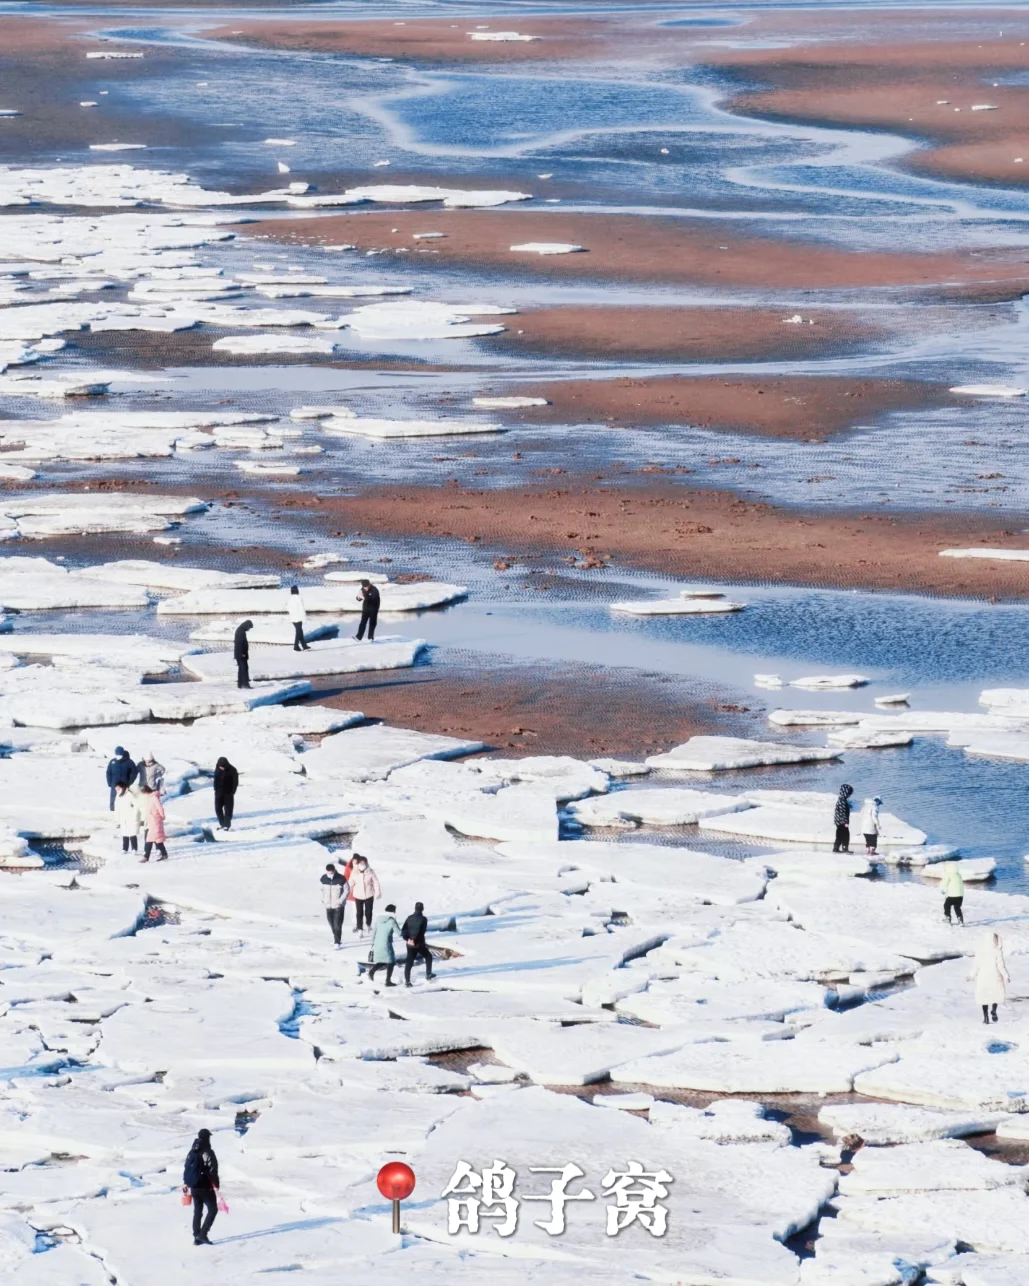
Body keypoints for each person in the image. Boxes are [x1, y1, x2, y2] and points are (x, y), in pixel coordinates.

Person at [182, 1128, 220, 1246]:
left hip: (194, 1186)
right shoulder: (207, 1151)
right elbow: (213, 1169)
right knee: (213, 1209)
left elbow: (187, 1167)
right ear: (207, 1138)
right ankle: (203, 1234)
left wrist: (186, 1183)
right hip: (205, 1186)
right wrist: (216, 1184)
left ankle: (197, 1236)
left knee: (198, 1210)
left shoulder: (192, 1151)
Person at [971, 931, 1009, 1024]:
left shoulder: (980, 952)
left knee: (984, 997)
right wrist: (1005, 975)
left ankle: (986, 1018)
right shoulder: (997, 952)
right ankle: (994, 1011)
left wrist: (972, 975)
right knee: (996, 995)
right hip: (995, 977)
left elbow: (976, 965)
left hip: (983, 977)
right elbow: (1001, 966)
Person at [402, 901, 435, 986]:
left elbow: (403, 930)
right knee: (428, 956)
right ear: (422, 909)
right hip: (419, 944)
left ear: (415, 908)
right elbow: (422, 932)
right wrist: (416, 940)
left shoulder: (409, 918)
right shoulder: (424, 919)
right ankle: (428, 974)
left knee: (409, 961)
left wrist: (408, 939)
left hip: (410, 943)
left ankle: (407, 981)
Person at [368, 904, 401, 986]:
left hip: (377, 943)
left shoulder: (378, 919)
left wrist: (372, 944)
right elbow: (399, 933)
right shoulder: (392, 920)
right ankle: (387, 981)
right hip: (386, 944)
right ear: (393, 911)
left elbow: (374, 932)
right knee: (391, 962)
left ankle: (371, 972)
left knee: (383, 960)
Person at [348, 853, 381, 936]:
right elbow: (351, 882)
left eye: (364, 863)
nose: (362, 865)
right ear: (358, 864)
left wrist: (378, 892)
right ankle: (360, 929)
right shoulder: (354, 871)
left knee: (368, 912)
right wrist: (348, 892)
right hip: (358, 895)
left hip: (369, 894)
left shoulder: (370, 871)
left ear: (366, 863)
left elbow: (376, 882)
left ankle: (369, 925)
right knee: (359, 912)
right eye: (361, 863)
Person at [321, 862, 349, 947]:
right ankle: (335, 938)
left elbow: (347, 890)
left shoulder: (341, 879)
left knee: (337, 923)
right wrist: (322, 899)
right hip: (328, 905)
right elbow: (321, 890)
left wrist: (341, 900)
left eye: (331, 872)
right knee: (331, 923)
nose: (330, 874)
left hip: (338, 905)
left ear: (334, 871)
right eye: (328, 872)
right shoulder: (323, 878)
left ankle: (337, 942)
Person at [139, 784, 168, 862]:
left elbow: (160, 808)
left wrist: (162, 816)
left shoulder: (154, 798)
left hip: (156, 820)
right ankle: (164, 854)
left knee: (153, 838)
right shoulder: (148, 799)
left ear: (146, 791)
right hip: (151, 821)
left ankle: (146, 856)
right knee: (156, 839)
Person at [106, 745, 137, 811]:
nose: (118, 756)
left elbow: (134, 772)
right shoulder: (112, 762)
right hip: (114, 784)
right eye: (117, 754)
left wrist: (130, 781)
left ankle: (124, 812)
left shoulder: (129, 762)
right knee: (113, 799)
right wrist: (109, 783)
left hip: (124, 784)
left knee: (124, 799)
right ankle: (113, 811)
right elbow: (108, 773)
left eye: (120, 754)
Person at [213, 757, 239, 831]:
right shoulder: (217, 768)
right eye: (221, 766)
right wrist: (215, 789)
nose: (222, 768)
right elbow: (215, 780)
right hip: (218, 792)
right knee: (218, 809)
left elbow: (235, 782)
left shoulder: (233, 770)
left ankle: (227, 825)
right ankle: (222, 824)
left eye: (223, 766)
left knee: (228, 810)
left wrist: (232, 792)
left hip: (228, 793)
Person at [114, 783, 141, 854]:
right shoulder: (118, 796)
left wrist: (135, 815)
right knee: (124, 833)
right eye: (116, 788)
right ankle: (125, 848)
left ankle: (134, 848)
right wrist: (117, 820)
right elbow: (117, 808)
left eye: (118, 788)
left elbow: (136, 805)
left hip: (130, 816)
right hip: (123, 817)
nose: (117, 790)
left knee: (132, 833)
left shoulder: (129, 794)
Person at [941, 859, 965, 926]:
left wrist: (942, 889)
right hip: (960, 895)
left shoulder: (948, 874)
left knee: (946, 905)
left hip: (952, 895)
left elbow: (944, 882)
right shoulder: (958, 874)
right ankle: (960, 921)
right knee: (957, 907)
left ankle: (948, 918)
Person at [833, 784, 854, 853]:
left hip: (839, 821)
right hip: (842, 822)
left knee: (840, 835)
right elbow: (842, 813)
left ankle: (837, 848)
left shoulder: (842, 800)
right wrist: (846, 822)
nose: (849, 795)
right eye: (849, 793)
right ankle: (843, 848)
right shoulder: (842, 801)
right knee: (844, 835)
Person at [288, 585, 310, 652]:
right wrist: (304, 618)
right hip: (298, 617)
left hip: (293, 618)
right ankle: (296, 646)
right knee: (298, 631)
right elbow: (302, 609)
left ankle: (304, 645)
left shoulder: (290, 599)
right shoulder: (299, 598)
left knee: (300, 631)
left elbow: (288, 608)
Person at [234, 619, 253, 689]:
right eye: (249, 628)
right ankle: (245, 684)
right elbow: (239, 644)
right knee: (244, 669)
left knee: (241, 669)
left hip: (240, 654)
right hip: (241, 655)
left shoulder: (240, 630)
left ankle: (240, 684)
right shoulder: (241, 632)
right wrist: (242, 653)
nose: (248, 629)